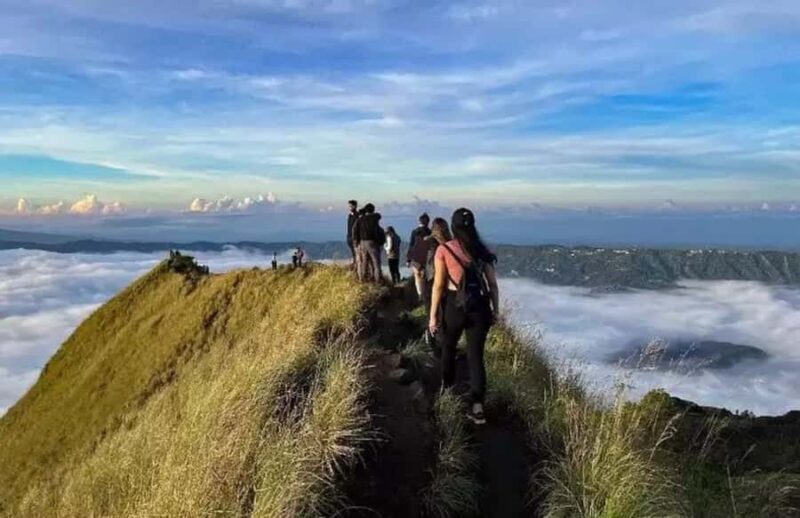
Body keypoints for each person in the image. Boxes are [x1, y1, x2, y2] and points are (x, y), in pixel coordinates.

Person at [429, 208, 499, 425]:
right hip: (480, 307)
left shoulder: (444, 250)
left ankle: (447, 392)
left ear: (453, 226)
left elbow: (439, 285)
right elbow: (492, 285)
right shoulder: (481, 250)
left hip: (454, 306)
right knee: (475, 356)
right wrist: (495, 311)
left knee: (448, 348)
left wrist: (432, 316)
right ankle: (478, 407)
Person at [423, 218, 452, 349]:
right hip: (448, 283)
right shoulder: (452, 244)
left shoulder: (426, 243)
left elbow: (416, 262)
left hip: (430, 281)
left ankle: (432, 342)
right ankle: (445, 342)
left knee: (431, 312)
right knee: (445, 312)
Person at [354, 203, 385, 283]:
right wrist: (380, 241)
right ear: (373, 210)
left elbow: (355, 231)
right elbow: (379, 216)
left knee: (364, 262)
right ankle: (377, 281)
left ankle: (363, 280)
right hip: (372, 242)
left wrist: (356, 242)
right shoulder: (374, 218)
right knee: (376, 262)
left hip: (362, 242)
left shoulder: (360, 220)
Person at [407, 213, 431, 299]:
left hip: (415, 258)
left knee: (417, 276)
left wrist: (408, 259)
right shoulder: (430, 232)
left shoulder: (414, 232)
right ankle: (425, 293)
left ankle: (420, 294)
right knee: (425, 276)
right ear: (428, 222)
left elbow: (411, 245)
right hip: (426, 258)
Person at [346, 200, 359, 269]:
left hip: (354, 237)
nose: (349, 207)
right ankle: (355, 262)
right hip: (349, 236)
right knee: (353, 251)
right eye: (349, 206)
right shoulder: (350, 216)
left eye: (351, 206)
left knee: (355, 252)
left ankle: (356, 264)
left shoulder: (357, 215)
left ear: (355, 206)